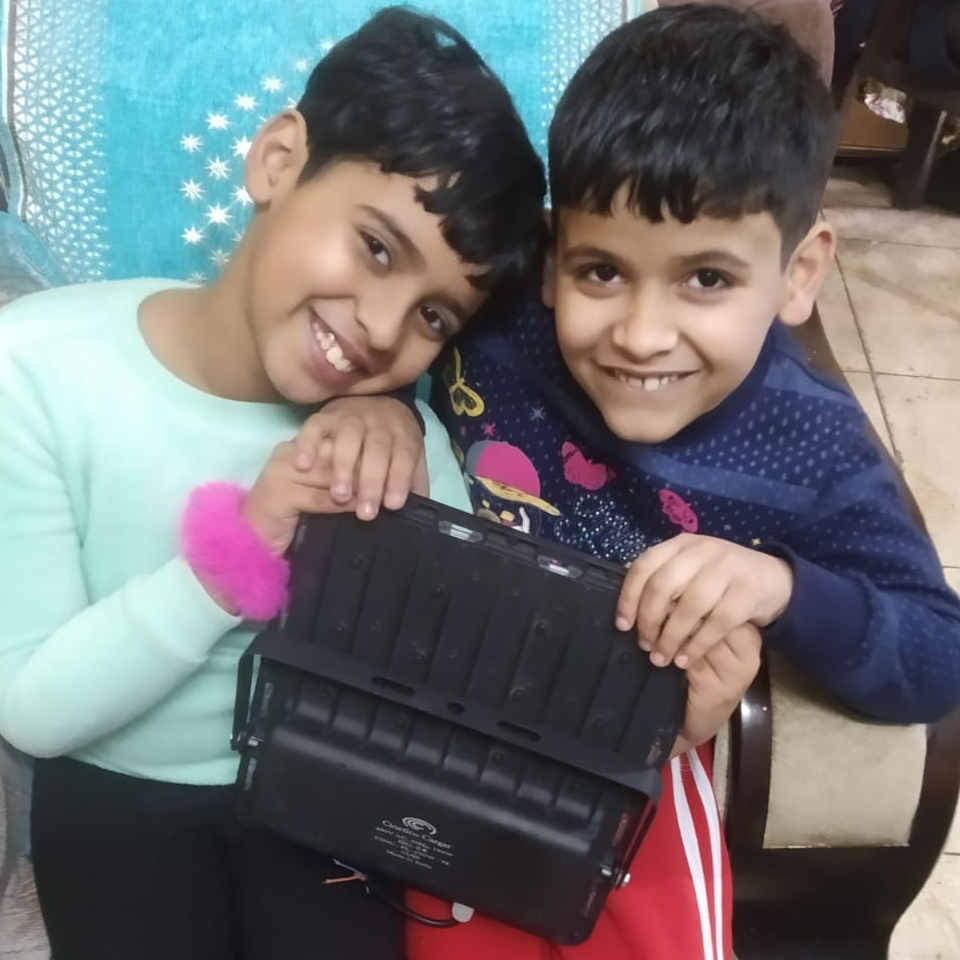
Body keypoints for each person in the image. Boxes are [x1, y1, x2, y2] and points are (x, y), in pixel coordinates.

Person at [329, 6, 960, 958]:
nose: (642, 335)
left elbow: (936, 658)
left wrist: (781, 588)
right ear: (553, 257)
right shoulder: (502, 317)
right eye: (602, 272)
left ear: (799, 273)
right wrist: (385, 403)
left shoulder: (812, 446)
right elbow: (386, 318)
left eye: (706, 278)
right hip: (423, 699)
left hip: (637, 755)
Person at [0, 8, 546, 960]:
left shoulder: (395, 429)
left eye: (433, 316)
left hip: (327, 794)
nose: (383, 328)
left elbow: (456, 672)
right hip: (116, 791)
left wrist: (407, 431)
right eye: (376, 247)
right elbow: (35, 711)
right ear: (278, 161)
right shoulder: (36, 370)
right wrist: (234, 559)